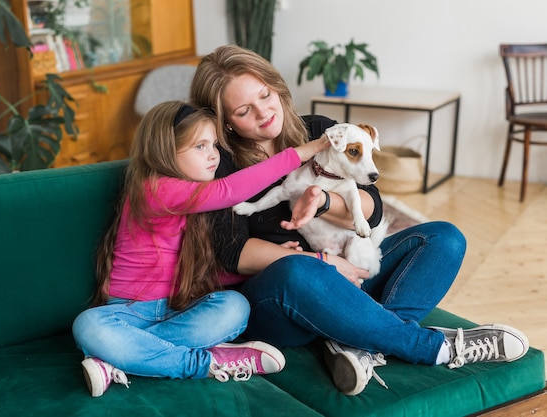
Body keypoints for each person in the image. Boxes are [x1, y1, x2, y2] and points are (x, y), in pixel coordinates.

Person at [189, 45, 530, 396]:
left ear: (277, 87)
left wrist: (323, 203)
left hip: (350, 270)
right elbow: (232, 252)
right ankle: (433, 348)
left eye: (265, 95)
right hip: (283, 299)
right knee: (297, 271)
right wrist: (323, 263)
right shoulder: (221, 163)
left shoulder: (320, 131)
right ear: (225, 120)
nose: (264, 113)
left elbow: (373, 207)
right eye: (245, 110)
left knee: (445, 238)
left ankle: (356, 343)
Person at [71, 100, 329, 397]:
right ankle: (203, 362)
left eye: (214, 145)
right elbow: (230, 190)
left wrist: (271, 258)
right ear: (166, 151)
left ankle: (118, 359)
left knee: (235, 305)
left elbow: (208, 268)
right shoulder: (153, 189)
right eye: (200, 147)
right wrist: (305, 151)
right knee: (88, 325)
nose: (213, 156)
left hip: (179, 309)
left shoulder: (197, 200)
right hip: (127, 313)